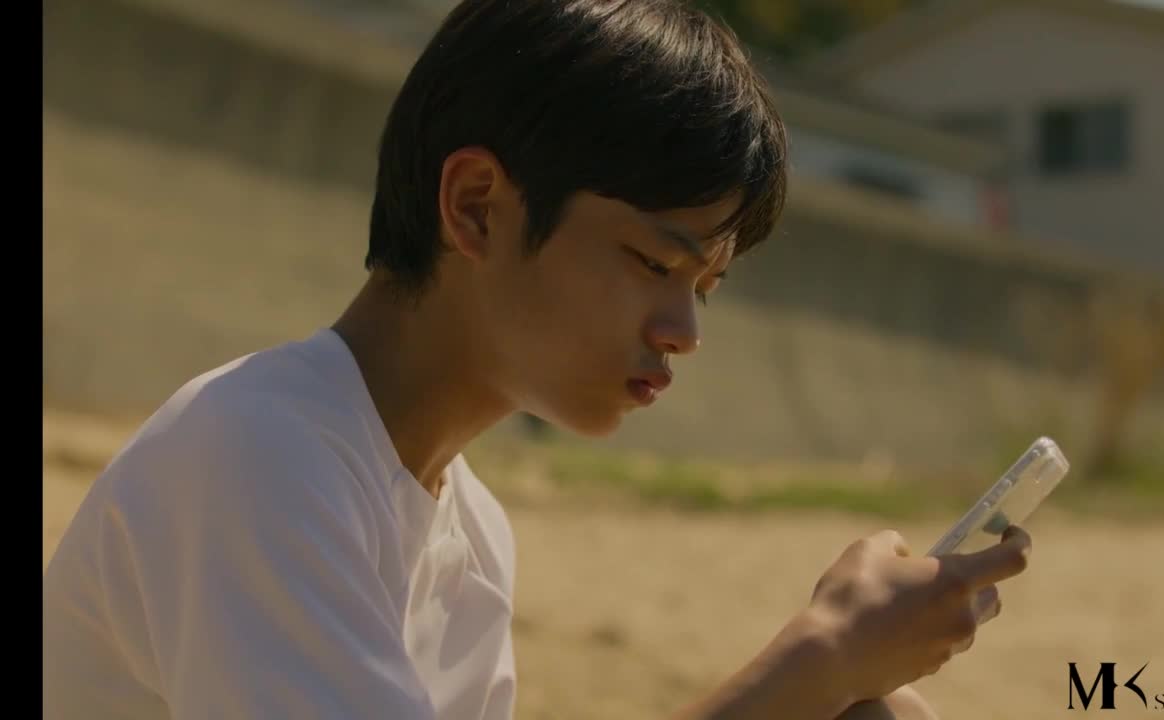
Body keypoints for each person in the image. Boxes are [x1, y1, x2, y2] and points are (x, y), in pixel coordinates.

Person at [42, 1, 1032, 718]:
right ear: (476, 206)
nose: (683, 330)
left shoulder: (471, 533)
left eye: (705, 287)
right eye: (656, 263)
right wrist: (815, 659)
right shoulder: (258, 454)